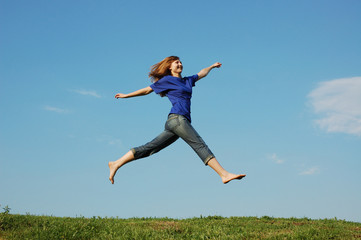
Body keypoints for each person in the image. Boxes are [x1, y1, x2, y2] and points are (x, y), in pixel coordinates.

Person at [108, 56, 246, 184]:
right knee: (199, 144)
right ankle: (224, 174)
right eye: (176, 62)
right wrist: (126, 95)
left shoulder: (187, 80)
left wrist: (212, 66)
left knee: (150, 148)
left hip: (176, 123)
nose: (180, 64)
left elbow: (201, 73)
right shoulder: (167, 81)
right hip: (177, 119)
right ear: (169, 67)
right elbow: (146, 90)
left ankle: (116, 163)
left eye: (180, 62)